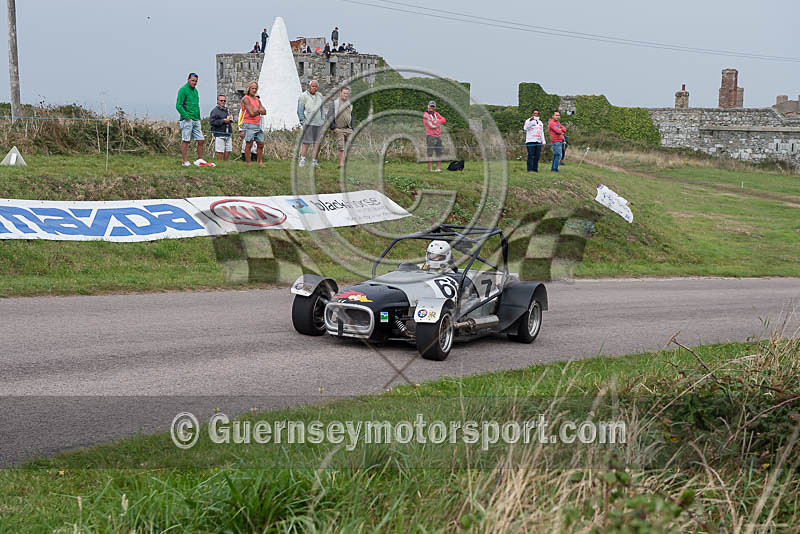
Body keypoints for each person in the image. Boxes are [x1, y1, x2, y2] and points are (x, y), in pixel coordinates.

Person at [176, 72, 206, 166]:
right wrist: (186, 117)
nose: (194, 83)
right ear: (188, 80)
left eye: (196, 81)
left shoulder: (195, 91)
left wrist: (198, 117)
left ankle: (200, 160)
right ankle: (185, 161)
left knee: (201, 140)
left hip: (196, 119)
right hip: (187, 120)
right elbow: (178, 105)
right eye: (192, 80)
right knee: (186, 140)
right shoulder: (183, 90)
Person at [297, 80, 325, 168]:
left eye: (316, 86)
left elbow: (322, 109)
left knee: (317, 143)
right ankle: (302, 160)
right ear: (309, 87)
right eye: (313, 86)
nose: (314, 88)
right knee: (306, 142)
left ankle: (314, 161)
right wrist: (303, 122)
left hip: (319, 123)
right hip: (308, 123)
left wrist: (323, 120)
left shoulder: (320, 95)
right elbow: (300, 110)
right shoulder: (303, 96)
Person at [327, 86, 354, 169]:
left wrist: (352, 128)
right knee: (341, 147)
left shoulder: (350, 104)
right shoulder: (335, 104)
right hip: (339, 129)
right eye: (344, 93)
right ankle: (341, 165)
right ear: (340, 93)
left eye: (347, 94)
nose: (346, 95)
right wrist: (333, 128)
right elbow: (329, 116)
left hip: (348, 129)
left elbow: (352, 116)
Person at [240, 81, 266, 165]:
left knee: (261, 143)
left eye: (256, 88)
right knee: (249, 143)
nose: (254, 90)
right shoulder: (246, 98)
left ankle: (260, 162)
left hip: (257, 124)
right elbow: (251, 113)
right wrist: (259, 110)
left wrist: (257, 110)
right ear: (249, 88)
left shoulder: (257, 99)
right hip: (248, 123)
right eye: (253, 88)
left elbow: (264, 111)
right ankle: (248, 162)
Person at [423, 100, 446, 172]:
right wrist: (438, 122)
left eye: (433, 106)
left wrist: (437, 121)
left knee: (439, 152)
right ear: (428, 106)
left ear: (434, 107)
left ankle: (438, 168)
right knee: (430, 153)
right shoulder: (425, 115)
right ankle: (430, 169)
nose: (431, 108)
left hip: (438, 136)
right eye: (430, 106)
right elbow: (431, 125)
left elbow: (444, 120)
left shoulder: (436, 113)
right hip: (431, 136)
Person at [209, 94, 232, 161]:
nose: (223, 102)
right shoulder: (215, 111)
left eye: (224, 101)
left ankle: (225, 163)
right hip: (219, 133)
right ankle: (220, 163)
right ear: (217, 101)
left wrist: (229, 120)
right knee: (220, 150)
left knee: (228, 149)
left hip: (228, 133)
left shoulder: (226, 110)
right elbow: (212, 122)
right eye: (221, 100)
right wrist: (223, 121)